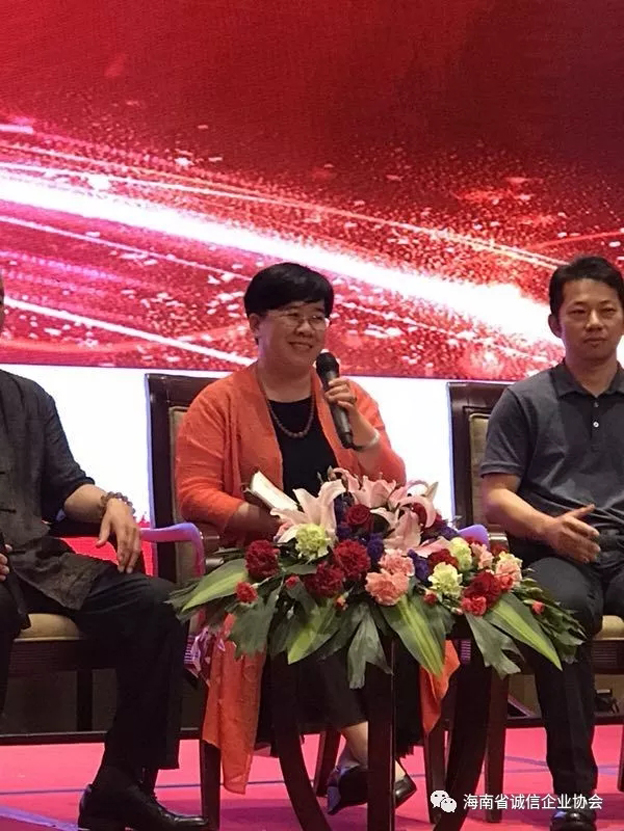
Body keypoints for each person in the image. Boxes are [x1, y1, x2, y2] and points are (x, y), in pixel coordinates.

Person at [176, 262, 441, 813]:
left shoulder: (349, 397)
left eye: (318, 317)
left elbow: (391, 482)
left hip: (351, 556)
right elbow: (194, 495)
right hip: (259, 564)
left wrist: (360, 429)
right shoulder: (219, 401)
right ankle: (372, 753)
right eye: (292, 315)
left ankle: (359, 761)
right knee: (304, 604)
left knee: (400, 603)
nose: (307, 329)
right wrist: (274, 522)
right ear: (255, 324)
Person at [0, 276, 207, 831]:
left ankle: (121, 782)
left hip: (37, 563)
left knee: (158, 604)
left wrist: (111, 502)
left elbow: (67, 486)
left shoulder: (28, 398)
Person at [480, 255, 624, 831]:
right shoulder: (526, 399)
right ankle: (574, 793)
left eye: (607, 311)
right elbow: (495, 499)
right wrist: (546, 527)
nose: (594, 323)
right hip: (553, 552)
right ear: (554, 323)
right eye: (579, 312)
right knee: (558, 615)